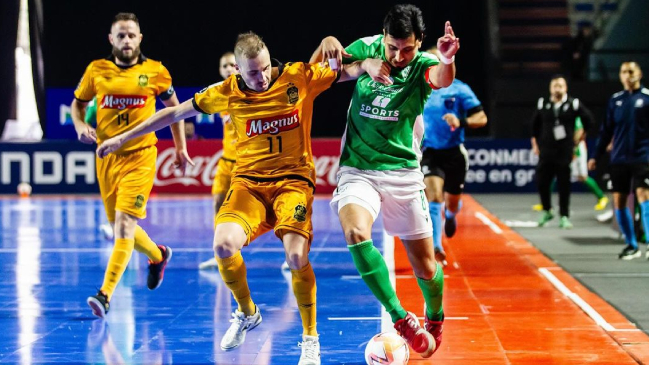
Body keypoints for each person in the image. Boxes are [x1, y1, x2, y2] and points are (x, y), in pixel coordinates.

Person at [97, 31, 369, 365]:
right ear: (238, 71)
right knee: (223, 244)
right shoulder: (226, 92)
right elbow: (172, 114)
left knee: (296, 256)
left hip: (292, 183)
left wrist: (363, 58)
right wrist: (123, 137)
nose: (263, 77)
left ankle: (310, 339)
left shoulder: (297, 76)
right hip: (248, 185)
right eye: (253, 72)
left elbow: (350, 70)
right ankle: (246, 312)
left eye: (266, 68)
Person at [310, 4, 459, 358]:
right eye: (393, 47)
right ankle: (400, 318)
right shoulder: (368, 48)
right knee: (355, 233)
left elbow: (441, 78)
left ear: (419, 42)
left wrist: (448, 58)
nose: (398, 56)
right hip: (358, 169)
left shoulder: (422, 64)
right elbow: (315, 73)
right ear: (384, 39)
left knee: (426, 266)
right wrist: (340, 49)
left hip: (403, 174)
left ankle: (434, 315)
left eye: (407, 48)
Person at [70, 12, 191, 318]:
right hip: (106, 158)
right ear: (111, 40)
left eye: (131, 35)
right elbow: (78, 104)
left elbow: (174, 110)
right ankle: (157, 255)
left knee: (123, 225)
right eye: (120, 35)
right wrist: (79, 125)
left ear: (140, 38)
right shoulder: (97, 70)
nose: (126, 40)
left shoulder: (156, 72)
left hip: (140, 156)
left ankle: (105, 294)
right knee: (120, 227)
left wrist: (180, 148)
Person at [420, 46, 488, 267]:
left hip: (454, 154)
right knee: (434, 196)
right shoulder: (419, 89)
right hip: (429, 152)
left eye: (436, 60)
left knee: (451, 202)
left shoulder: (459, 89)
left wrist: (462, 122)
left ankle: (450, 215)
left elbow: (482, 117)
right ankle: (436, 246)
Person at [588, 61, 649, 260]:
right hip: (619, 159)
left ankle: (648, 242)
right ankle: (631, 245)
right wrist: (595, 156)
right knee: (619, 201)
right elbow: (606, 131)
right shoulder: (615, 100)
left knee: (644, 197)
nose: (627, 74)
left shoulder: (647, 98)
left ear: (639, 74)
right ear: (621, 76)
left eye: (631, 71)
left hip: (643, 157)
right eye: (624, 71)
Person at [531, 74, 593, 229]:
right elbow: (534, 126)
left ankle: (564, 216)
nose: (557, 88)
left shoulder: (574, 104)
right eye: (554, 85)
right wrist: (535, 144)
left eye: (560, 85)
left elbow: (589, 121)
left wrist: (578, 139)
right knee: (542, 181)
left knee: (564, 184)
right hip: (546, 150)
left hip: (564, 151)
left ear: (565, 88)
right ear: (550, 88)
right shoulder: (543, 103)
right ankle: (547, 210)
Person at [199, 51, 238, 270]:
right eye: (224, 66)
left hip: (247, 163)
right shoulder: (218, 94)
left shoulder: (252, 91)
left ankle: (291, 252)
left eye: (233, 64)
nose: (228, 68)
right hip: (225, 161)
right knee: (217, 203)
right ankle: (220, 255)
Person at [531, 119, 608, 213]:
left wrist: (573, 147)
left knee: (582, 177)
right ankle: (545, 203)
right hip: (564, 148)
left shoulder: (574, 116)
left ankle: (601, 197)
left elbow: (580, 131)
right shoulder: (557, 116)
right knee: (552, 174)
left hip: (577, 149)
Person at [84, 96, 116, 241]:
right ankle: (114, 226)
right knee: (111, 192)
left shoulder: (134, 93)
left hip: (132, 151)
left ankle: (124, 227)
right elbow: (87, 122)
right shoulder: (97, 101)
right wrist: (90, 132)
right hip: (107, 152)